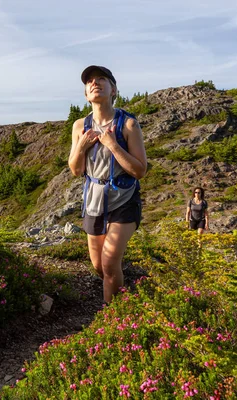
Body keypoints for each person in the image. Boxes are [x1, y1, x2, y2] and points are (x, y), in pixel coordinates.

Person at [68, 65, 147, 304]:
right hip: (93, 199)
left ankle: (112, 319)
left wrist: (113, 145)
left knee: (110, 262)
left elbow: (140, 171)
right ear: (85, 93)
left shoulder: (128, 125)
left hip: (123, 198)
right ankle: (122, 294)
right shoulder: (80, 126)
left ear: (114, 89)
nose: (95, 83)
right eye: (90, 81)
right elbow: (75, 170)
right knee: (99, 266)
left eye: (102, 79)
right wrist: (81, 147)